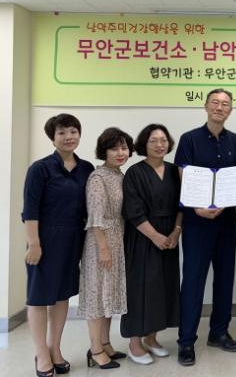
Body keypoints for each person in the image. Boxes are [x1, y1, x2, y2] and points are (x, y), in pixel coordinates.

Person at [174, 88, 236, 366]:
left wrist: (228, 203)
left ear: (231, 110)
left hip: (226, 221)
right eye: (215, 102)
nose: (219, 107)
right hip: (197, 222)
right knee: (193, 279)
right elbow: (183, 175)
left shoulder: (235, 141)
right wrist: (196, 208)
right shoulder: (189, 139)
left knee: (225, 277)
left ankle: (219, 332)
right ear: (205, 106)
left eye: (225, 104)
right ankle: (186, 340)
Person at [22, 114, 94, 377]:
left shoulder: (86, 169)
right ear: (52, 138)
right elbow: (30, 210)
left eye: (73, 131)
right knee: (39, 297)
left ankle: (55, 348)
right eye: (62, 132)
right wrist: (34, 244)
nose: (68, 137)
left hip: (73, 238)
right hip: (45, 239)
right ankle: (41, 352)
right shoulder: (40, 169)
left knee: (62, 295)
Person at [121, 124, 182, 365]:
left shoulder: (175, 171)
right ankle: (134, 344)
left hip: (170, 237)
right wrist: (155, 235)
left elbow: (183, 204)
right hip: (142, 237)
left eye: (163, 140)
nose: (159, 145)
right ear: (143, 144)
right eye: (153, 140)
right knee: (139, 289)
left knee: (163, 288)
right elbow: (132, 210)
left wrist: (176, 231)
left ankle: (151, 338)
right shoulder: (134, 172)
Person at [79, 127, 134, 369]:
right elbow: (95, 217)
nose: (120, 152)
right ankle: (95, 350)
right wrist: (103, 249)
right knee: (98, 296)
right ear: (104, 151)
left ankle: (106, 343)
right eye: (114, 148)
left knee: (108, 294)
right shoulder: (98, 177)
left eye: (124, 148)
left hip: (117, 239)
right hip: (101, 241)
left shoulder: (120, 175)